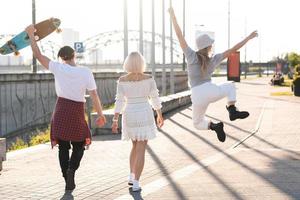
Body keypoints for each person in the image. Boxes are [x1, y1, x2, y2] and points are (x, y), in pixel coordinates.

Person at [25, 25, 106, 191]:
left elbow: (38, 55)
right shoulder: (85, 72)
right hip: (77, 111)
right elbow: (94, 95)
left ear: (61, 57)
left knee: (63, 147)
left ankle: (66, 177)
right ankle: (71, 170)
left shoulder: (58, 68)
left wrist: (31, 36)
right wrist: (100, 114)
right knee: (79, 144)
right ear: (74, 55)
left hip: (61, 109)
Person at [168, 7, 258, 142]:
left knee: (197, 123)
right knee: (231, 86)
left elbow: (180, 35)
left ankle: (214, 126)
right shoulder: (214, 59)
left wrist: (173, 16)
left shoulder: (191, 55)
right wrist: (249, 38)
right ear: (209, 46)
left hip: (197, 95)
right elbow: (234, 48)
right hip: (211, 91)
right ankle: (232, 109)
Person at [111, 52, 164, 192]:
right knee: (141, 147)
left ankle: (131, 175)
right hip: (144, 112)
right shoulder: (149, 78)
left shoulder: (122, 80)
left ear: (127, 63)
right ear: (142, 63)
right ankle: (136, 182)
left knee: (134, 145)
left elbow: (120, 101)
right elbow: (154, 98)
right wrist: (159, 114)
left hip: (130, 113)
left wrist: (115, 119)